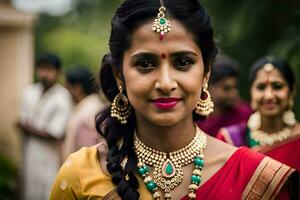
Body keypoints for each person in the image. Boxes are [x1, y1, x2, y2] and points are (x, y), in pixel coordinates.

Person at [50, 1, 299, 199]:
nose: (166, 82)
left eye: (183, 62)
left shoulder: (254, 177)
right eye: (145, 64)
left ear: (206, 73)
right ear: (119, 76)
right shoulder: (82, 174)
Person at [216, 56, 300, 171]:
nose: (269, 95)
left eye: (277, 86)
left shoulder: (297, 138)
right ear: (251, 91)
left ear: (292, 90)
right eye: (261, 87)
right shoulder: (229, 139)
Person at [17, 52, 73, 199]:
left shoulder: (63, 97)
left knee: (48, 192)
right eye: (42, 69)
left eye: (49, 70)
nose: (44, 74)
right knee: (29, 192)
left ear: (57, 72)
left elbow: (55, 133)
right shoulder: (29, 92)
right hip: (29, 153)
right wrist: (28, 128)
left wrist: (27, 127)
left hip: (50, 158)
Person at [196, 55, 252, 137]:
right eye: (226, 88)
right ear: (208, 86)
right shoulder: (194, 117)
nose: (234, 93)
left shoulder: (246, 114)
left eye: (235, 87)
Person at [63, 66, 105, 160]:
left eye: (67, 87)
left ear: (78, 88)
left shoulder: (92, 110)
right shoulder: (84, 108)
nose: (66, 92)